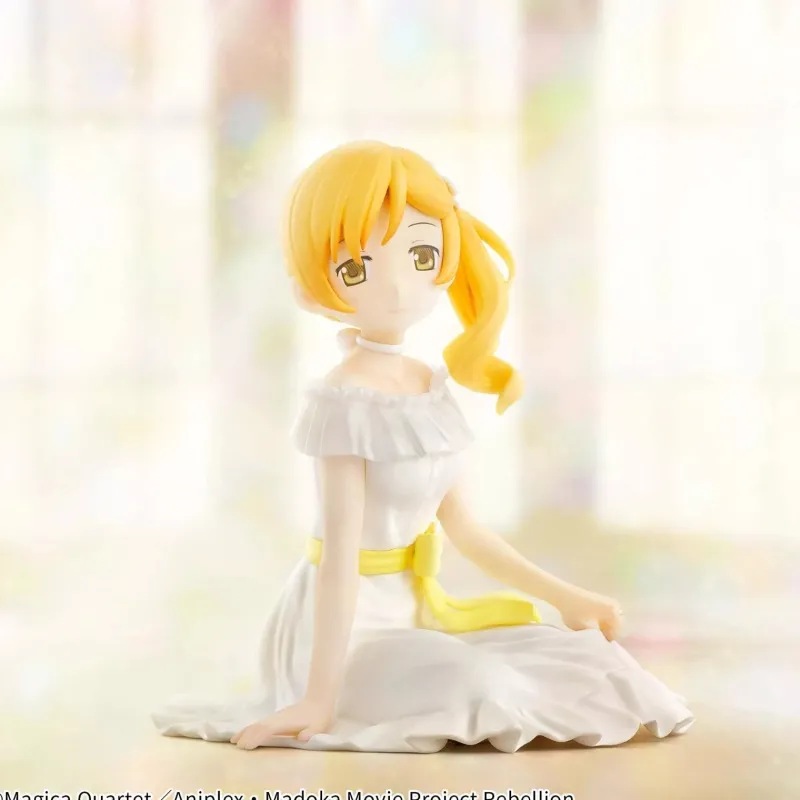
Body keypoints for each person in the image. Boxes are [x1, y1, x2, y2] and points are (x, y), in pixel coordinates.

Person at [151, 141, 695, 753]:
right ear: (315, 285)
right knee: (480, 685)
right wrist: (317, 698)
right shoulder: (341, 401)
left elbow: (466, 530)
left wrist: (567, 597)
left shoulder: (429, 389)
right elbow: (339, 561)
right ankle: (338, 690)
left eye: (419, 255)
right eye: (356, 267)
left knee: (581, 658)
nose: (395, 287)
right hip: (340, 632)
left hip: (413, 614)